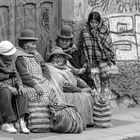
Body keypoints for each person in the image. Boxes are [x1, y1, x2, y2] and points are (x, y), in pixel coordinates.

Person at [15, 29, 65, 132]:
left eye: (35, 44)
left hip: (41, 81)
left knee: (53, 90)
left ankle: (57, 120)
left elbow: (44, 68)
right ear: (25, 45)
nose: (35, 46)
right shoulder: (19, 56)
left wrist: (45, 78)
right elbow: (24, 76)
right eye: (32, 44)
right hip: (29, 84)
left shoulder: (36, 54)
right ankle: (39, 122)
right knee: (39, 93)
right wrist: (36, 85)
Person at [47, 46, 95, 128]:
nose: (59, 59)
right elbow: (64, 85)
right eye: (56, 57)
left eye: (61, 57)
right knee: (81, 97)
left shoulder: (66, 68)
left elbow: (76, 79)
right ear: (52, 58)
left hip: (71, 90)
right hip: (60, 93)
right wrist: (81, 90)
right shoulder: (50, 67)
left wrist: (86, 87)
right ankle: (74, 121)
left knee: (88, 95)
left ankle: (85, 122)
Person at [78, 11, 116, 96]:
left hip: (103, 62)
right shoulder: (85, 31)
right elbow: (83, 47)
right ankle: (97, 105)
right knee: (95, 84)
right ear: (89, 22)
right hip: (91, 62)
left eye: (96, 22)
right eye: (92, 22)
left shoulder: (104, 31)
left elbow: (109, 45)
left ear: (99, 22)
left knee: (105, 84)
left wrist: (110, 57)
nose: (94, 24)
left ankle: (105, 105)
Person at [0, 40, 30, 134]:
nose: (12, 56)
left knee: (23, 92)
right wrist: (9, 87)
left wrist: (20, 85)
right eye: (9, 55)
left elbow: (16, 75)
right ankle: (7, 122)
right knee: (6, 92)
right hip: (2, 87)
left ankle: (20, 121)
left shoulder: (11, 61)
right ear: (3, 55)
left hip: (12, 85)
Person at [55, 25, 96, 89]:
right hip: (69, 76)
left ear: (71, 41)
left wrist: (83, 68)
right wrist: (75, 71)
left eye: (67, 40)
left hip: (81, 75)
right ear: (58, 40)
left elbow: (84, 59)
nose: (64, 42)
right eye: (62, 40)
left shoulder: (74, 50)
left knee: (90, 83)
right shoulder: (56, 51)